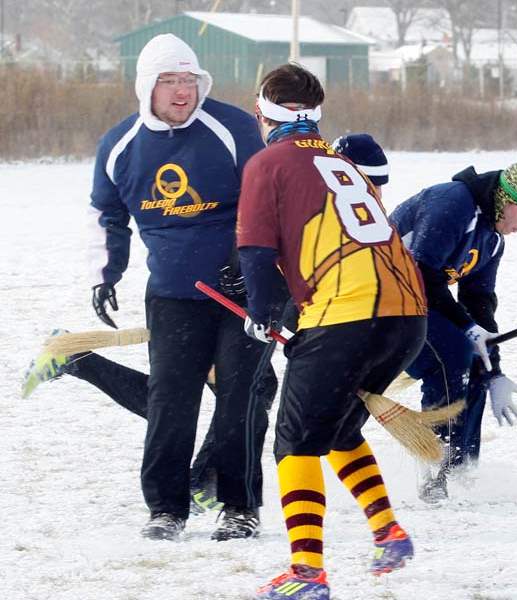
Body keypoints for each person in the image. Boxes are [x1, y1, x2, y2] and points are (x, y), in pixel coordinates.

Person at [20, 133, 391, 515]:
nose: (373, 197)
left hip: (246, 307)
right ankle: (200, 483)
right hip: (208, 302)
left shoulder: (335, 206)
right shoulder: (301, 193)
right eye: (371, 185)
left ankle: (79, 361)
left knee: (209, 397)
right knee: (217, 395)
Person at [235, 64, 427, 600]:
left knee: (294, 443)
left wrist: (263, 309)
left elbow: (255, 252)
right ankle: (389, 533)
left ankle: (306, 575)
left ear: (261, 114)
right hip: (407, 315)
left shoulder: (267, 163)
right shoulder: (341, 162)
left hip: (348, 314)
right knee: (340, 429)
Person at [87, 33, 270, 541]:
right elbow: (108, 216)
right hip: (172, 296)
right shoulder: (120, 145)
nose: (181, 91)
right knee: (171, 401)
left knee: (241, 400)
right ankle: (166, 508)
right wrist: (105, 274)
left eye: (188, 80)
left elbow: (265, 201)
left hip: (242, 295)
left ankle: (240, 507)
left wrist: (247, 259)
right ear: (147, 86)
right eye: (169, 81)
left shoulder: (233, 128)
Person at [389, 159, 517, 501]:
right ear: (508, 201)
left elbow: (479, 302)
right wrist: (467, 329)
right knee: (451, 357)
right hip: (380, 294)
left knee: (477, 361)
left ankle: (461, 471)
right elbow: (420, 274)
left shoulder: (493, 240)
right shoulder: (453, 203)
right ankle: (434, 464)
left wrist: (494, 368)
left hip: (415, 299)